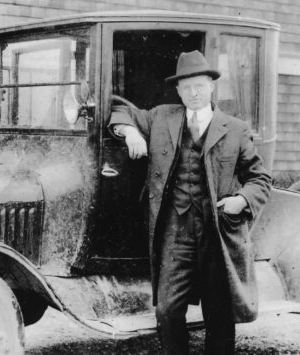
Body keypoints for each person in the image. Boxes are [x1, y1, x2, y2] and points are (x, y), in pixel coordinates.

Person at [108, 50, 272, 355]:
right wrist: (130, 132)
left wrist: (241, 200)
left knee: (219, 314)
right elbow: (120, 111)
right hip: (174, 232)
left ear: (211, 87)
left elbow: (260, 179)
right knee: (167, 310)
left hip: (218, 233)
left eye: (199, 86)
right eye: (186, 88)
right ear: (178, 91)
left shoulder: (235, 129)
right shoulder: (161, 117)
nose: (193, 93)